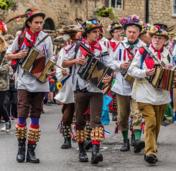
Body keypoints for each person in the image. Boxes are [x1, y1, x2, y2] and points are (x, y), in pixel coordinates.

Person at [5, 8, 53, 163]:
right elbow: (7, 55)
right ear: (29, 23)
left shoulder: (46, 38)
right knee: (22, 113)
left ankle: (31, 151)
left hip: (40, 82)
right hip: (24, 81)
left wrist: (49, 72)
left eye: (41, 22)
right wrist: (17, 55)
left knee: (36, 116)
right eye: (36, 22)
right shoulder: (20, 36)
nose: (39, 25)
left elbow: (50, 60)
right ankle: (21, 149)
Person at [62, 18, 112, 164]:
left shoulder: (102, 47)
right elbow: (64, 62)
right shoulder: (77, 46)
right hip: (80, 88)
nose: (97, 34)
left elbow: (109, 65)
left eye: (98, 31)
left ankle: (96, 151)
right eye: (94, 32)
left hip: (96, 88)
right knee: (79, 121)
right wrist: (75, 61)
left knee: (96, 120)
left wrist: (110, 77)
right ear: (87, 33)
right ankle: (82, 150)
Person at [128, 23, 172, 164]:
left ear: (165, 40)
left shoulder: (167, 53)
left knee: (157, 124)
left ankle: (151, 146)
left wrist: (172, 70)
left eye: (160, 38)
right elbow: (131, 70)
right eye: (154, 37)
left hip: (161, 95)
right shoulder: (142, 51)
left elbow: (174, 70)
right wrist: (145, 72)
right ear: (151, 38)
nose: (157, 40)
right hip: (144, 93)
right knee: (151, 121)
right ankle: (150, 152)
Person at [110, 15, 145, 153]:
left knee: (137, 113)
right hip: (122, 85)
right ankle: (125, 140)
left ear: (138, 33)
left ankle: (136, 139)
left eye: (134, 32)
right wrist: (120, 64)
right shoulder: (119, 46)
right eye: (129, 31)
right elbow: (110, 62)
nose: (131, 34)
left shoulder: (143, 47)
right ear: (125, 32)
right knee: (123, 115)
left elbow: (147, 64)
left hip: (138, 84)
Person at [55, 25, 82, 149]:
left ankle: (84, 138)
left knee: (83, 112)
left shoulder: (83, 47)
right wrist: (63, 72)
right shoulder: (64, 50)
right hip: (69, 83)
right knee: (68, 111)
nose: (80, 35)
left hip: (81, 82)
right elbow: (60, 65)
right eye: (78, 33)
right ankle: (67, 138)